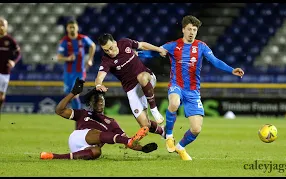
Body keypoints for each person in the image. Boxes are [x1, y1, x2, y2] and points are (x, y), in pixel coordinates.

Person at [139, 15, 244, 160]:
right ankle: (168, 134)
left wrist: (231, 70)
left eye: (194, 30)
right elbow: (155, 53)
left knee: (196, 129)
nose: (192, 32)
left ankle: (180, 147)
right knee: (174, 104)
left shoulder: (201, 46)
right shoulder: (173, 45)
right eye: (189, 29)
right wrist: (137, 54)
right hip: (177, 85)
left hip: (193, 91)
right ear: (183, 30)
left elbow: (215, 61)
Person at [40, 78, 158, 160]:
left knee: (97, 152)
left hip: (86, 148)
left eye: (102, 100)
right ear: (91, 103)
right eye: (96, 100)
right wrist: (73, 93)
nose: (100, 102)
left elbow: (125, 140)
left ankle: (54, 156)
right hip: (77, 138)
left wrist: (142, 148)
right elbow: (59, 110)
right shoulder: (83, 114)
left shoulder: (111, 122)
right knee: (98, 133)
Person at [94, 33, 167, 138]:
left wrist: (159, 49)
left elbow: (142, 45)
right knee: (145, 125)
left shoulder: (125, 43)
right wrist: (98, 84)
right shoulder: (106, 60)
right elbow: (99, 76)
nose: (109, 52)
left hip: (147, 78)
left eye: (110, 48)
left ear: (115, 42)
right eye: (106, 50)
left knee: (141, 77)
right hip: (132, 90)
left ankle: (154, 108)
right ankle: (162, 131)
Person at [57, 19, 96, 110]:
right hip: (68, 73)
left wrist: (90, 59)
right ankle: (77, 115)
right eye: (70, 27)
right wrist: (68, 58)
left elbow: (93, 45)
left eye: (73, 27)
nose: (72, 29)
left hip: (80, 72)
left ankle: (78, 117)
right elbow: (59, 57)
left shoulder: (82, 38)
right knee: (70, 94)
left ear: (77, 28)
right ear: (67, 28)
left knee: (75, 94)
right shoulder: (64, 41)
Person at [0, 17, 21, 111]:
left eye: (2, 25)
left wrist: (14, 61)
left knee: (1, 97)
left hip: (5, 71)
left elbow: (18, 53)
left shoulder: (9, 40)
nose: (0, 27)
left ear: (6, 27)